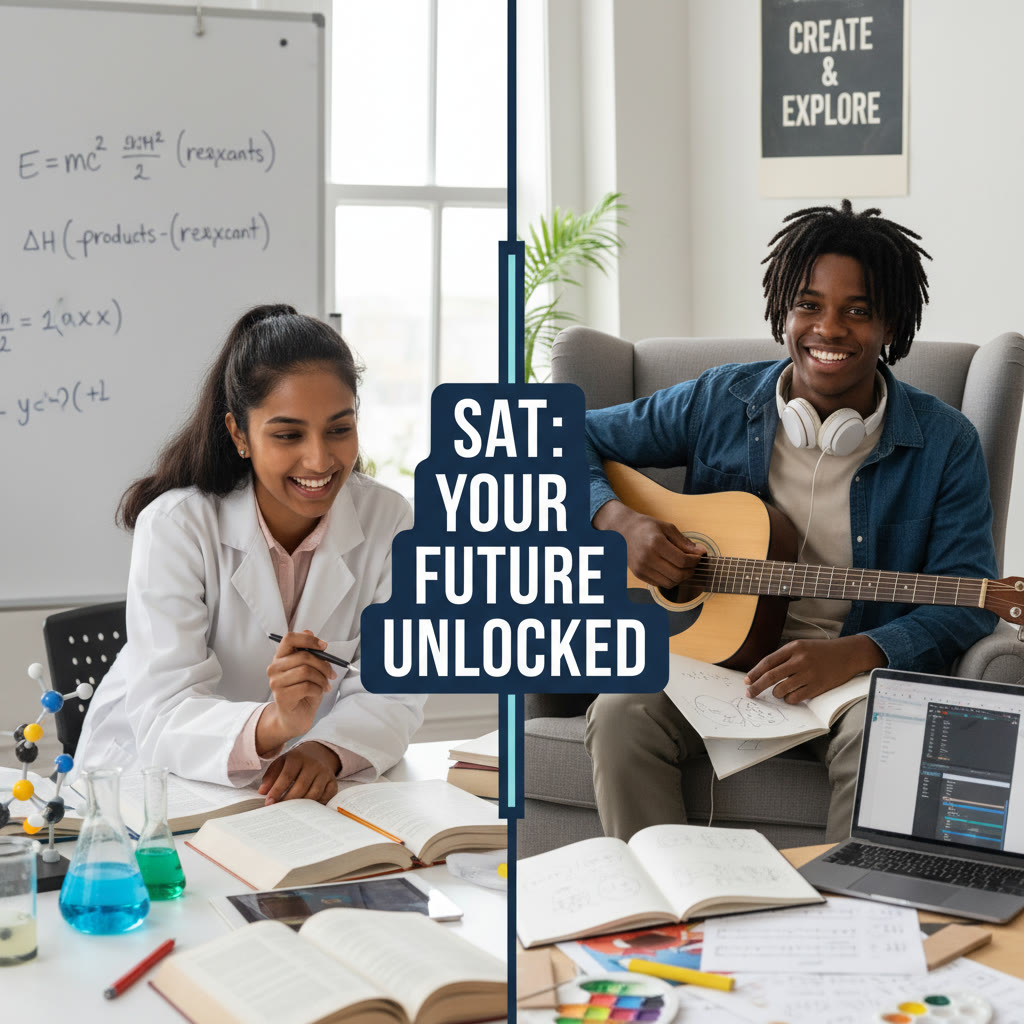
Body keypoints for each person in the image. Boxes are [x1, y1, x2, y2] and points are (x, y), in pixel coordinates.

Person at [584, 200, 999, 842]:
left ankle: (850, 929)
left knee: (884, 740)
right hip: (718, 661)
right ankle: (660, 916)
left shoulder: (947, 443)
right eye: (809, 305)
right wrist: (615, 519)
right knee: (620, 712)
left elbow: (970, 598)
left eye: (857, 311)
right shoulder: (719, 400)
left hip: (856, 677)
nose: (828, 329)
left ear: (891, 324)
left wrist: (858, 652)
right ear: (784, 311)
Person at [74, 304, 423, 805]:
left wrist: (324, 750)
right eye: (288, 435)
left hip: (299, 784)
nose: (319, 459)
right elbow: (165, 711)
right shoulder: (178, 525)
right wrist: (274, 724)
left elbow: (394, 689)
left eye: (339, 429)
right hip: (155, 784)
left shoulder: (391, 522)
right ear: (239, 434)